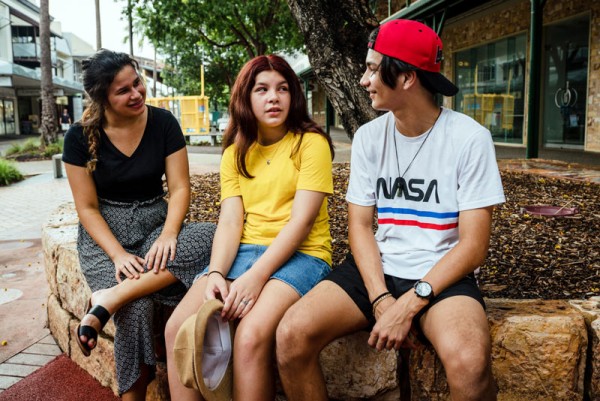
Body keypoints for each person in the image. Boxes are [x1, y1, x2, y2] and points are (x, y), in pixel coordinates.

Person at [276, 19, 505, 401]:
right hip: (379, 269)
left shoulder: (469, 139)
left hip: (441, 275)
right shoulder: (368, 137)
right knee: (291, 336)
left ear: (407, 78)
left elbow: (473, 246)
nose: (364, 80)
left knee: (469, 362)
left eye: (371, 68)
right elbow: (361, 228)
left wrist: (411, 303)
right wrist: (382, 299)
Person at [164, 54, 335, 401]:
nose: (273, 97)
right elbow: (230, 221)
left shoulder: (311, 143)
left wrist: (256, 277)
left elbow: (302, 223)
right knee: (176, 329)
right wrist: (215, 273)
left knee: (250, 335)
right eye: (262, 89)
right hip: (244, 253)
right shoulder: (234, 153)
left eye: (282, 89)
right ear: (246, 97)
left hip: (302, 255)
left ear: (294, 96)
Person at [61, 49, 216, 400]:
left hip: (154, 227)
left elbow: (179, 188)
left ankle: (107, 300)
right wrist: (117, 256)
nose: (137, 94)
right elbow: (86, 208)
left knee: (214, 235)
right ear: (103, 99)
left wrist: (170, 233)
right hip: (105, 238)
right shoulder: (79, 137)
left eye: (138, 83)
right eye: (123, 91)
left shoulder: (163, 123)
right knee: (138, 307)